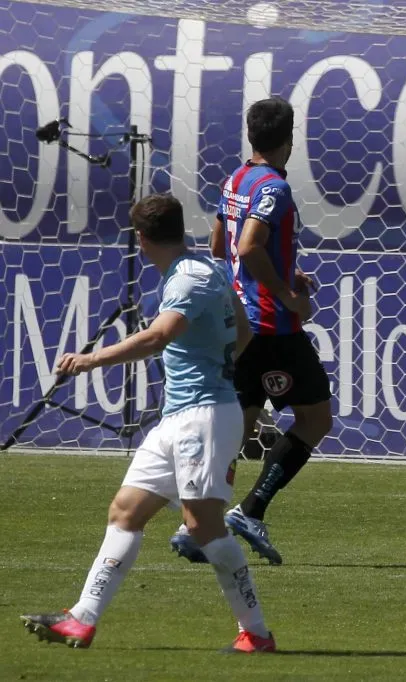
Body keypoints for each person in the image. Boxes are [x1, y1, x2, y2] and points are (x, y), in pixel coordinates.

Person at [20, 194, 275, 653]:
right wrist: (218, 363)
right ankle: (82, 618)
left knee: (203, 526)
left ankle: (256, 632)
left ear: (140, 239)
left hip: (203, 417)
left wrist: (89, 359)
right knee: (125, 510)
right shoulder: (209, 270)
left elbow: (158, 336)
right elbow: (245, 329)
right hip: (180, 416)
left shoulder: (186, 282)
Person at [170, 96, 332, 566]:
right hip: (272, 327)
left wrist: (268, 275)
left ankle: (195, 525)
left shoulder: (236, 179)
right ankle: (251, 510)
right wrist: (286, 294)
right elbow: (248, 244)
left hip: (239, 321)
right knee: (315, 419)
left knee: (235, 428)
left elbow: (221, 245)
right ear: (290, 139)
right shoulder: (275, 188)